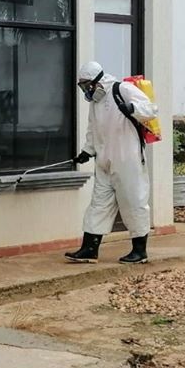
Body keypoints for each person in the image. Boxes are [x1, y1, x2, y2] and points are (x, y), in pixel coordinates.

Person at [66, 61, 158, 264]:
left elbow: (151, 109)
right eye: (83, 86)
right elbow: (93, 129)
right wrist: (87, 151)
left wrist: (132, 108)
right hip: (104, 162)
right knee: (98, 204)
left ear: (98, 80)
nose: (86, 90)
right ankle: (89, 249)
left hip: (128, 159)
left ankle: (139, 251)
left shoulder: (122, 89)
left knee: (134, 202)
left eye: (87, 85)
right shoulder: (95, 103)